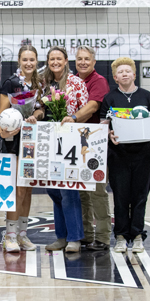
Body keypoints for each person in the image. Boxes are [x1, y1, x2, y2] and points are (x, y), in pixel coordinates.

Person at [98, 57, 150, 254]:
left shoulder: (146, 96)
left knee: (140, 196)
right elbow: (103, 126)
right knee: (121, 197)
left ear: (134, 74)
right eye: (120, 72)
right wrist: (108, 135)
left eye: (128, 71)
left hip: (142, 154)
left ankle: (138, 235)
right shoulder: (110, 99)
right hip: (118, 155)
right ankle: (121, 236)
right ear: (115, 77)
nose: (124, 74)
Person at [63, 46, 111, 251]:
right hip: (75, 141)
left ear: (94, 62)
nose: (83, 62)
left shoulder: (98, 81)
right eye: (79, 59)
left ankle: (102, 236)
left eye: (87, 59)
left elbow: (93, 106)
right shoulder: (72, 81)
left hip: (94, 142)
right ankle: (85, 235)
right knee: (81, 192)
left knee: (97, 191)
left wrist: (73, 118)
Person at [0, 45, 44, 252]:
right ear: (19, 61)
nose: (28, 63)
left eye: (32, 59)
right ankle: (10, 235)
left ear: (36, 61)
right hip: (15, 141)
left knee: (27, 188)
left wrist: (36, 116)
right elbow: (1, 112)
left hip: (33, 141)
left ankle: (23, 234)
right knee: (17, 189)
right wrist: (5, 130)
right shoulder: (11, 83)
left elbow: (41, 108)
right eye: (25, 59)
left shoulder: (39, 83)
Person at [42, 46, 88, 253]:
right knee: (53, 190)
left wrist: (74, 119)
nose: (55, 62)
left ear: (66, 60)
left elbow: (85, 110)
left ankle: (75, 238)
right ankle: (61, 237)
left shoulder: (76, 82)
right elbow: (39, 107)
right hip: (48, 140)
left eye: (58, 58)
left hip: (70, 141)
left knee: (69, 190)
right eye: (52, 59)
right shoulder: (43, 83)